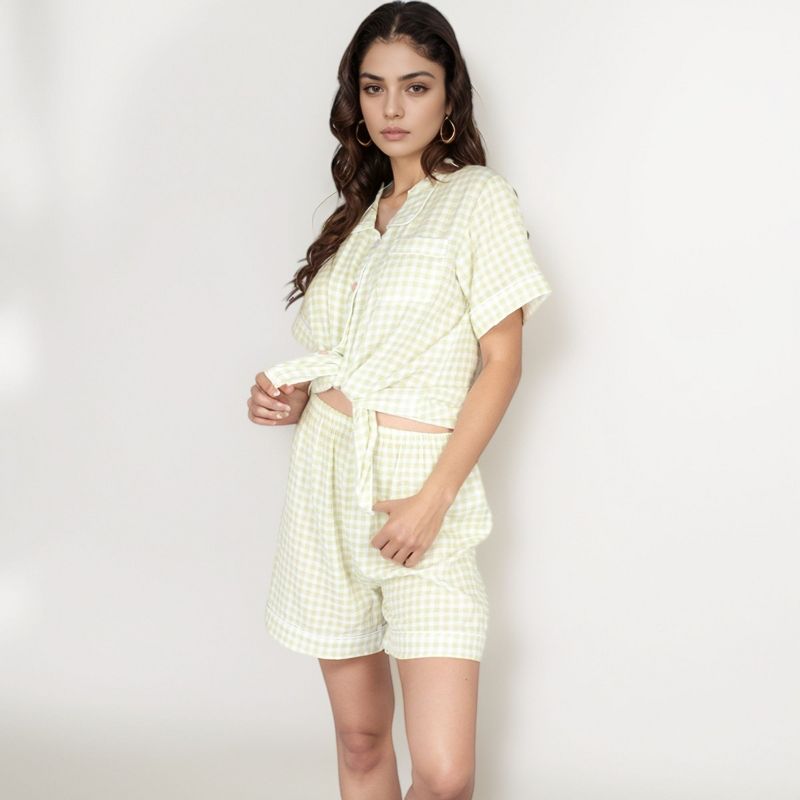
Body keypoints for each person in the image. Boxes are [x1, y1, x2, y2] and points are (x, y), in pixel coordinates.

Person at [247, 3, 552, 798]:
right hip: (326, 487)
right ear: (355, 98)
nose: (391, 108)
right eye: (373, 87)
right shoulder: (355, 218)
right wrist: (292, 398)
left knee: (445, 776)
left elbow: (502, 362)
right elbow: (351, 360)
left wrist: (431, 500)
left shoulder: (478, 198)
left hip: (423, 497)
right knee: (359, 742)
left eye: (415, 87)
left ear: (449, 97)